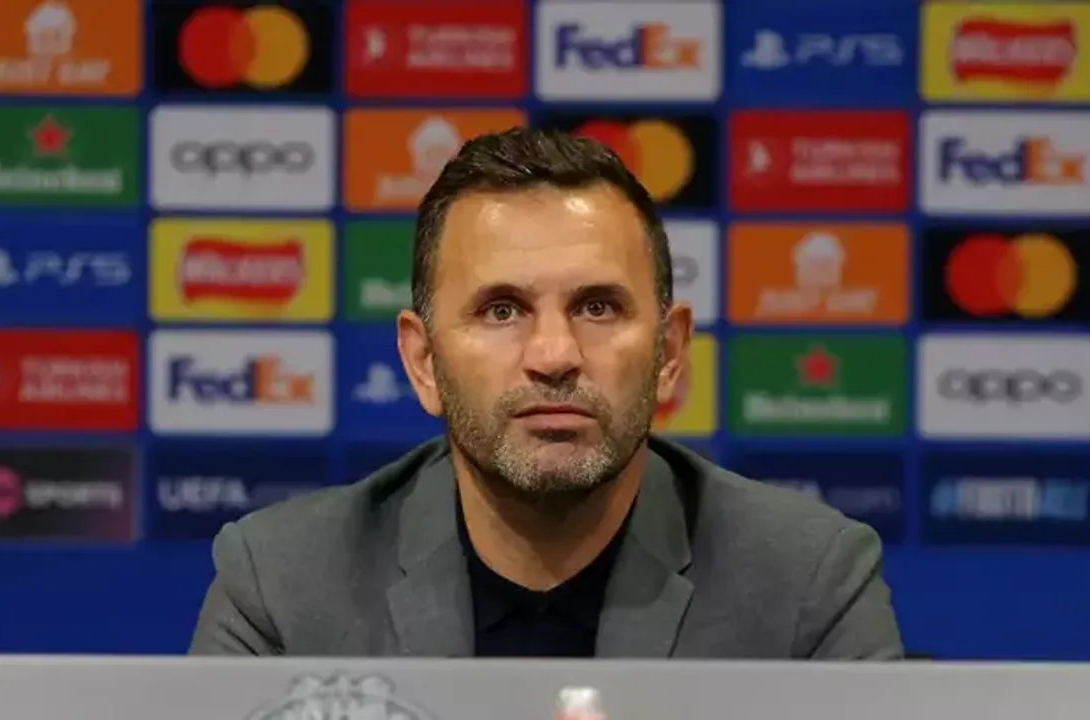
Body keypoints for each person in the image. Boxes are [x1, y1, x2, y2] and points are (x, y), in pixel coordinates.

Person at [189, 128, 903, 659]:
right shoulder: (283, 588)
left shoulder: (807, 583)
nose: (555, 356)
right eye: (502, 310)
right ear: (423, 362)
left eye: (598, 307)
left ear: (669, 353)